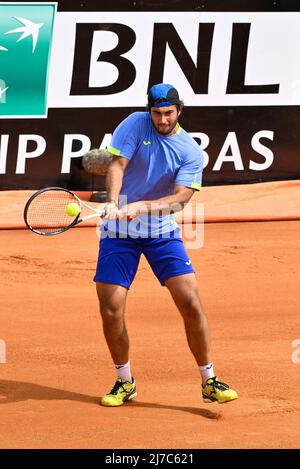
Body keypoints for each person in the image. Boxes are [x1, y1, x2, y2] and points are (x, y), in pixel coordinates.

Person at [94, 83, 238, 406]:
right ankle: (124, 381)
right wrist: (114, 202)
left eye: (168, 113)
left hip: (161, 230)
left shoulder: (190, 151)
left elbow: (181, 199)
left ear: (179, 111)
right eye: (156, 113)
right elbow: (117, 165)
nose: (161, 120)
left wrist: (141, 207)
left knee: (189, 301)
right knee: (110, 306)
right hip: (120, 231)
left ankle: (209, 379)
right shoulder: (135, 123)